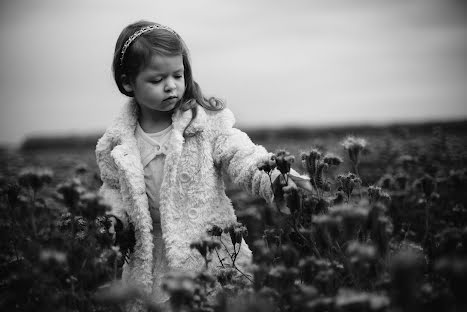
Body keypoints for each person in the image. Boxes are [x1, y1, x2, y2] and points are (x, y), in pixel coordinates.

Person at [95, 20, 305, 311]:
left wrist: (274, 176)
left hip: (211, 253)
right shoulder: (115, 143)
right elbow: (113, 189)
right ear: (128, 82)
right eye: (157, 80)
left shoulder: (204, 123)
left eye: (178, 75)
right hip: (151, 260)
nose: (171, 86)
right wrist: (113, 218)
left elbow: (241, 154)